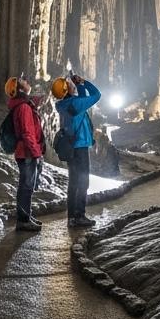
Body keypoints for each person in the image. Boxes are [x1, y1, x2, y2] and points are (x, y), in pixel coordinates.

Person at [52, 73, 101, 228]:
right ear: (66, 90)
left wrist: (78, 86)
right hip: (79, 148)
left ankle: (71, 217)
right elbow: (96, 95)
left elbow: (81, 97)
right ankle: (79, 216)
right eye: (69, 84)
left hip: (71, 147)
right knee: (83, 182)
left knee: (73, 183)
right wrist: (84, 82)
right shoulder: (76, 104)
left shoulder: (64, 105)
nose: (72, 84)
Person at [3, 76, 45, 232]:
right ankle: (23, 220)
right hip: (27, 152)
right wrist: (37, 153)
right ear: (20, 89)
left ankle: (26, 215)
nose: (28, 82)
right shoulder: (24, 108)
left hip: (25, 152)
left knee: (27, 186)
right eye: (24, 82)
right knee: (26, 187)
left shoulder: (23, 105)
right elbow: (28, 134)